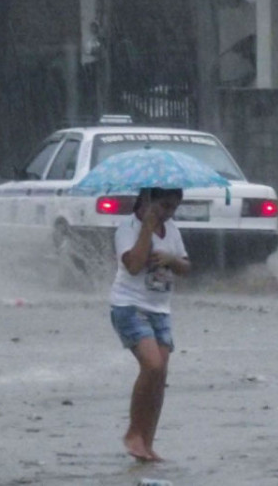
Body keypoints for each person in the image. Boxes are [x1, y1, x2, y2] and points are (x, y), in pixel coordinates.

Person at [109, 187, 192, 462]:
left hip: (160, 310)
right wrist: (147, 227)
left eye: (173, 208)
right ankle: (133, 432)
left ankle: (147, 441)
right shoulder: (127, 228)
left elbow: (186, 267)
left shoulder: (173, 230)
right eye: (164, 206)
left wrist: (171, 259)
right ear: (146, 201)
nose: (168, 213)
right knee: (152, 365)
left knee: (160, 375)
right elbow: (133, 265)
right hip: (130, 307)